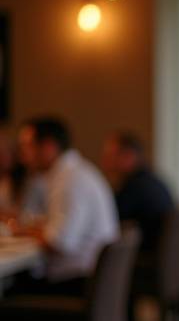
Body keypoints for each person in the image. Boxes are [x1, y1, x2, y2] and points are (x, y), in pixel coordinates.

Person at [13, 117, 119, 295]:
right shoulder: (75, 172)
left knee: (11, 294)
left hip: (78, 283)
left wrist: (21, 230)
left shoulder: (69, 180)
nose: (23, 156)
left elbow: (60, 243)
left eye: (27, 147)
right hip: (94, 281)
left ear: (48, 146)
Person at [101, 131, 174, 259]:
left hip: (144, 262)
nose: (105, 162)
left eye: (110, 156)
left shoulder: (134, 189)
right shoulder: (155, 181)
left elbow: (109, 223)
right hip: (163, 259)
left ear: (129, 156)